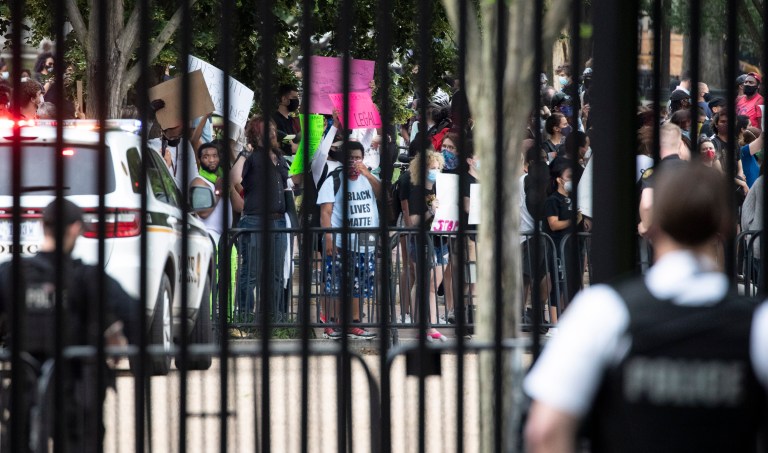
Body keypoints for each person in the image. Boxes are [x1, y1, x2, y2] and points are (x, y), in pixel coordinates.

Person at [524, 164, 768, 453]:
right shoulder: (758, 323)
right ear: (726, 226)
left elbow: (545, 430)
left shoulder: (603, 309)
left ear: (651, 227)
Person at [0, 199, 138, 453]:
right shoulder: (87, 277)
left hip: (25, 389)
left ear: (43, 225)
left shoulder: (10, 274)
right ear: (76, 228)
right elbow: (133, 314)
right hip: (76, 391)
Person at [317, 141, 380, 340]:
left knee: (359, 284)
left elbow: (382, 195)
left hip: (365, 239)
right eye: (350, 157)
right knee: (333, 283)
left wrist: (368, 175)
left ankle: (353, 324)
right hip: (340, 240)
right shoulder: (334, 179)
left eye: (358, 157)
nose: (354, 161)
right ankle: (331, 324)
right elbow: (325, 212)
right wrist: (328, 237)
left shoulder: (369, 178)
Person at [232, 115, 291, 321]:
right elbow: (235, 178)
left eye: (273, 129)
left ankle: (274, 318)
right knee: (251, 273)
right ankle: (244, 318)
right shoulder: (251, 156)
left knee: (276, 274)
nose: (273, 133)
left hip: (278, 220)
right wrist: (243, 154)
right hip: (255, 220)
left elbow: (290, 182)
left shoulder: (279, 157)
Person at [405, 149, 448, 341]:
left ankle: (429, 325)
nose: (436, 171)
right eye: (432, 168)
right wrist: (431, 211)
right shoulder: (416, 190)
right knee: (424, 283)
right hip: (422, 241)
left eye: (438, 168)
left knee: (432, 284)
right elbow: (413, 221)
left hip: (441, 240)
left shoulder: (442, 188)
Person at [147, 99, 210, 190]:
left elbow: (194, 175)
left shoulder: (186, 145)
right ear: (163, 130)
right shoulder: (153, 145)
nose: (176, 139)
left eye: (178, 136)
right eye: (172, 137)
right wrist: (148, 119)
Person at [191, 142, 236, 245]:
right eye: (206, 157)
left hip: (224, 239)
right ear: (199, 160)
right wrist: (218, 191)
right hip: (209, 239)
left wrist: (231, 188)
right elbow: (203, 212)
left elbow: (239, 206)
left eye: (215, 156)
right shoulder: (199, 181)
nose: (212, 160)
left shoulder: (221, 180)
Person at [273, 83, 301, 157]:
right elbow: (291, 148)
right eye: (294, 98)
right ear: (284, 99)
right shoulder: (274, 120)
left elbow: (293, 139)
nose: (297, 101)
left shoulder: (291, 120)